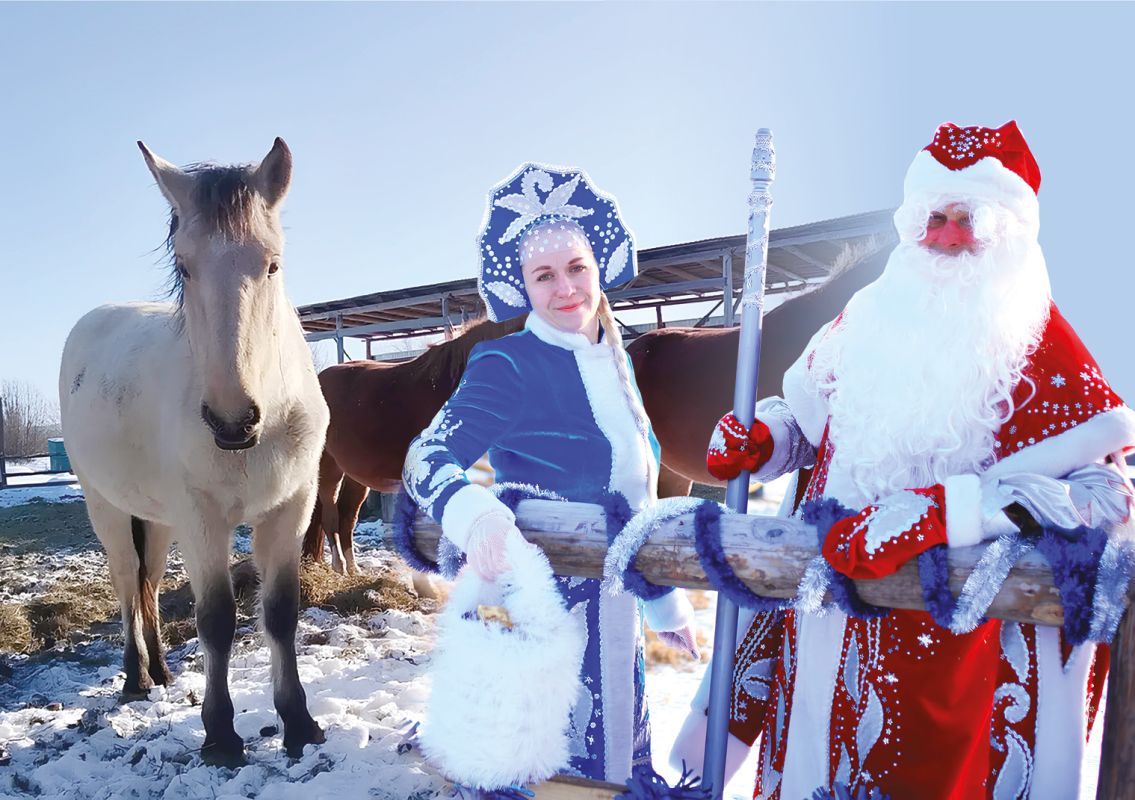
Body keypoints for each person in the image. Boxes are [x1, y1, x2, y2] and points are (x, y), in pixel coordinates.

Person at [682, 121, 1135, 799]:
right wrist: (767, 440)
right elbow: (808, 420)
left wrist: (945, 514)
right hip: (825, 633)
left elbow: (1105, 494)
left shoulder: (1048, 349)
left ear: (1008, 231)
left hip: (957, 657)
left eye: (968, 218)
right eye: (932, 217)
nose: (946, 236)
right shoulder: (868, 315)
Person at [403, 164, 698, 784]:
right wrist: (475, 513)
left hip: (615, 602)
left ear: (599, 267)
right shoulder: (506, 362)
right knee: (557, 768)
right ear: (522, 285)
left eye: (576, 268)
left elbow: (630, 503)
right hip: (546, 610)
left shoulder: (617, 363)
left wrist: (665, 605)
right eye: (544, 275)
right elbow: (425, 458)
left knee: (616, 753)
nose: (565, 288)